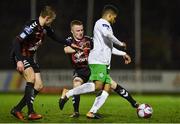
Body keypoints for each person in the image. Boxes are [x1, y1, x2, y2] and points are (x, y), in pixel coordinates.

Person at [59, 5, 138, 119]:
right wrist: (120, 43)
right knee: (97, 86)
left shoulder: (90, 39)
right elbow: (66, 49)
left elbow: (108, 47)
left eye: (81, 30)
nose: (115, 20)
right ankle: (69, 98)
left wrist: (123, 53)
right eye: (114, 17)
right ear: (109, 15)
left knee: (108, 87)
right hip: (93, 64)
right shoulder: (102, 24)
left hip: (99, 64)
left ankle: (92, 112)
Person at [10, 6, 79, 120]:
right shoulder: (31, 26)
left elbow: (56, 37)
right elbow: (16, 41)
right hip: (21, 56)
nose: (51, 22)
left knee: (39, 85)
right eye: (51, 20)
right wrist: (20, 61)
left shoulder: (45, 28)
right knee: (31, 78)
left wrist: (70, 43)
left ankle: (17, 109)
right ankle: (31, 112)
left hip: (30, 58)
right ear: (47, 18)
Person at [63, 20, 93, 118]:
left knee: (103, 89)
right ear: (72, 31)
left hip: (91, 69)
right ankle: (76, 112)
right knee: (76, 85)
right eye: (77, 30)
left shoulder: (88, 40)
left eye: (82, 30)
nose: (80, 32)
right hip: (79, 71)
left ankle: (94, 111)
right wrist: (78, 48)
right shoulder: (69, 40)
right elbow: (66, 49)